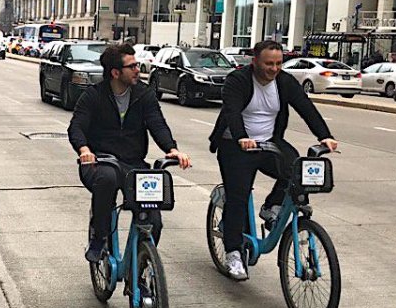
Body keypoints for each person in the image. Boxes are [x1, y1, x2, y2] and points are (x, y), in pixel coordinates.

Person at [209, 40, 338, 281]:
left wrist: (325, 135)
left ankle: (271, 207)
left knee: (296, 171)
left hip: (269, 142)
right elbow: (232, 112)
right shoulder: (238, 80)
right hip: (235, 145)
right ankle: (233, 252)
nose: (274, 68)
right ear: (255, 61)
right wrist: (242, 138)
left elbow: (306, 107)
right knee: (239, 196)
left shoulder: (284, 82)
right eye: (269, 63)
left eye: (278, 63)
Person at [68, 44, 191, 263]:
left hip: (133, 163)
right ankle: (99, 236)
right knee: (107, 179)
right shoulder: (93, 96)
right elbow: (76, 127)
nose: (137, 69)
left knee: (153, 220)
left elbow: (157, 124)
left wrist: (171, 149)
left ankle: (142, 269)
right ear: (116, 73)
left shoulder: (143, 94)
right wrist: (85, 150)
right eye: (132, 66)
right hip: (100, 162)